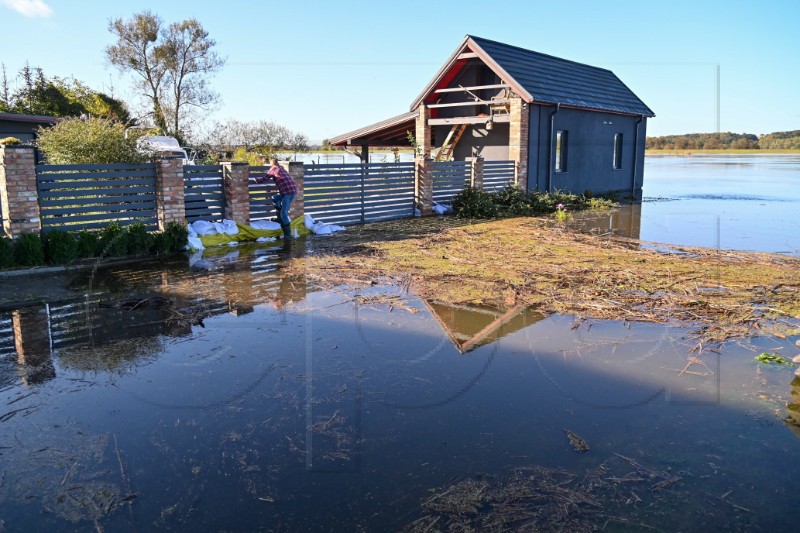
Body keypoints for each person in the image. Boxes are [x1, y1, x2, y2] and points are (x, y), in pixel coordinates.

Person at [261, 158, 298, 241]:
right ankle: (279, 218)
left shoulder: (273, 168)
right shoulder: (281, 168)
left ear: (272, 163)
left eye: (270, 163)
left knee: (284, 213)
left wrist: (257, 181)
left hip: (287, 193)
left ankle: (287, 235)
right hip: (291, 191)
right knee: (274, 198)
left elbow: (265, 178)